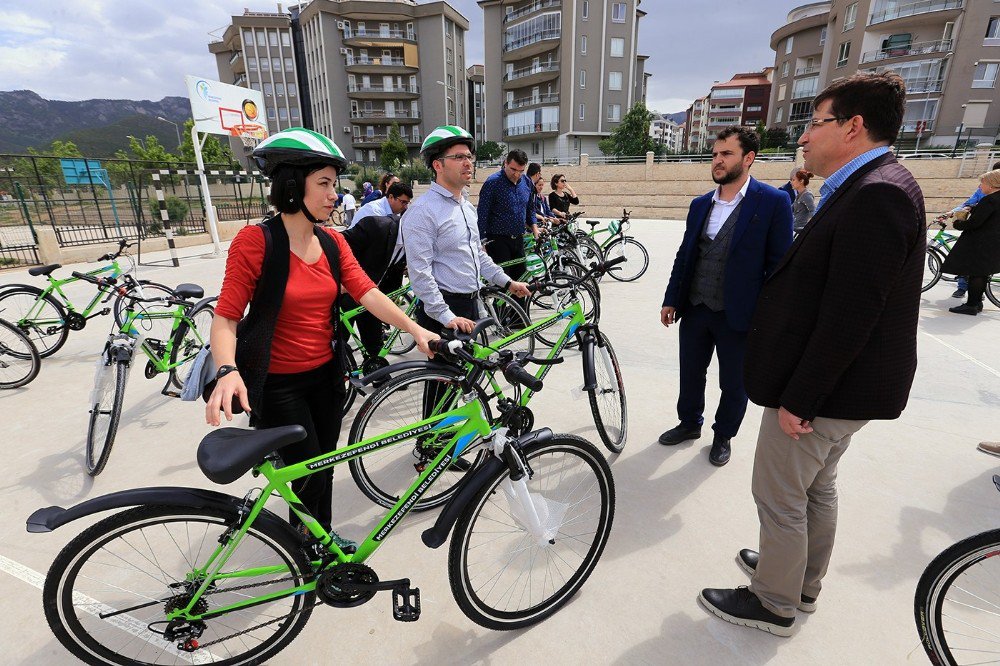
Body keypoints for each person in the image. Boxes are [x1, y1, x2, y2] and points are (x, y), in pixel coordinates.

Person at [699, 72, 925, 637]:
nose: (803, 139)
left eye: (815, 124)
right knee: (815, 489)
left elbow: (852, 316)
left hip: (826, 392)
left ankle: (773, 600)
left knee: (778, 495)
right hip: (845, 389)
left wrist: (801, 397)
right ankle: (800, 579)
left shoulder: (876, 194)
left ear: (852, 127)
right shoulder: (875, 183)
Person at [205, 127, 438, 551]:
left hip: (327, 375)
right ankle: (309, 547)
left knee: (324, 464)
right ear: (293, 187)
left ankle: (314, 540)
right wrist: (226, 370)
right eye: (324, 184)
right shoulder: (256, 242)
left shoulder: (332, 241)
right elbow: (225, 318)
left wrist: (416, 329)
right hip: (277, 383)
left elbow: (367, 292)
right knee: (307, 468)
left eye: (335, 184)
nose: (334, 195)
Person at [659, 126, 793, 467]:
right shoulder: (701, 203)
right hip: (696, 306)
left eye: (726, 154)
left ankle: (723, 435)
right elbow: (685, 254)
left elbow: (780, 267)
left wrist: (768, 316)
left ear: (748, 158)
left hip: (740, 314)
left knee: (734, 382)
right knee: (691, 373)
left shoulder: (774, 201)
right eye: (716, 154)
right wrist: (671, 298)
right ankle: (689, 424)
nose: (718, 160)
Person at [403, 125, 531, 341]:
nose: (468, 162)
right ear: (438, 165)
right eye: (459, 157)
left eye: (469, 156)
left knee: (472, 373)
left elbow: (478, 254)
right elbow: (420, 274)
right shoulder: (422, 211)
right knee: (447, 375)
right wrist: (446, 316)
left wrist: (508, 283)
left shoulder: (466, 207)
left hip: (472, 303)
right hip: (443, 310)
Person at [341, 210, 407, 369]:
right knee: (339, 341)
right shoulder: (376, 226)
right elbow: (337, 244)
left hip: (374, 296)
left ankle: (377, 374)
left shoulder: (414, 244)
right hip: (347, 291)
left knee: (374, 339)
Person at [940, 168, 1000, 315]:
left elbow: (975, 223)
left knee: (976, 273)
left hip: (981, 243)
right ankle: (977, 302)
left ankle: (972, 305)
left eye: (983, 183)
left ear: (991, 185)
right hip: (993, 242)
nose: (980, 186)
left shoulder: (990, 200)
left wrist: (958, 224)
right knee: (982, 273)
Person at [477, 149, 535, 284]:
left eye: (521, 171)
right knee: (503, 283)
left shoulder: (526, 182)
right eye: (513, 169)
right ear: (505, 163)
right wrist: (481, 242)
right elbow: (482, 213)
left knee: (521, 281)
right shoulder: (493, 183)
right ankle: (501, 306)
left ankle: (519, 306)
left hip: (519, 239)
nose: (516, 174)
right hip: (498, 241)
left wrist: (535, 227)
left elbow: (530, 207)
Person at [790, 168, 816, 232]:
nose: (791, 182)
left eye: (793, 180)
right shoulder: (799, 195)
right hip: (795, 228)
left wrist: (809, 228)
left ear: (801, 181)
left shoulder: (807, 195)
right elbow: (790, 209)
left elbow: (813, 211)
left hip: (801, 229)